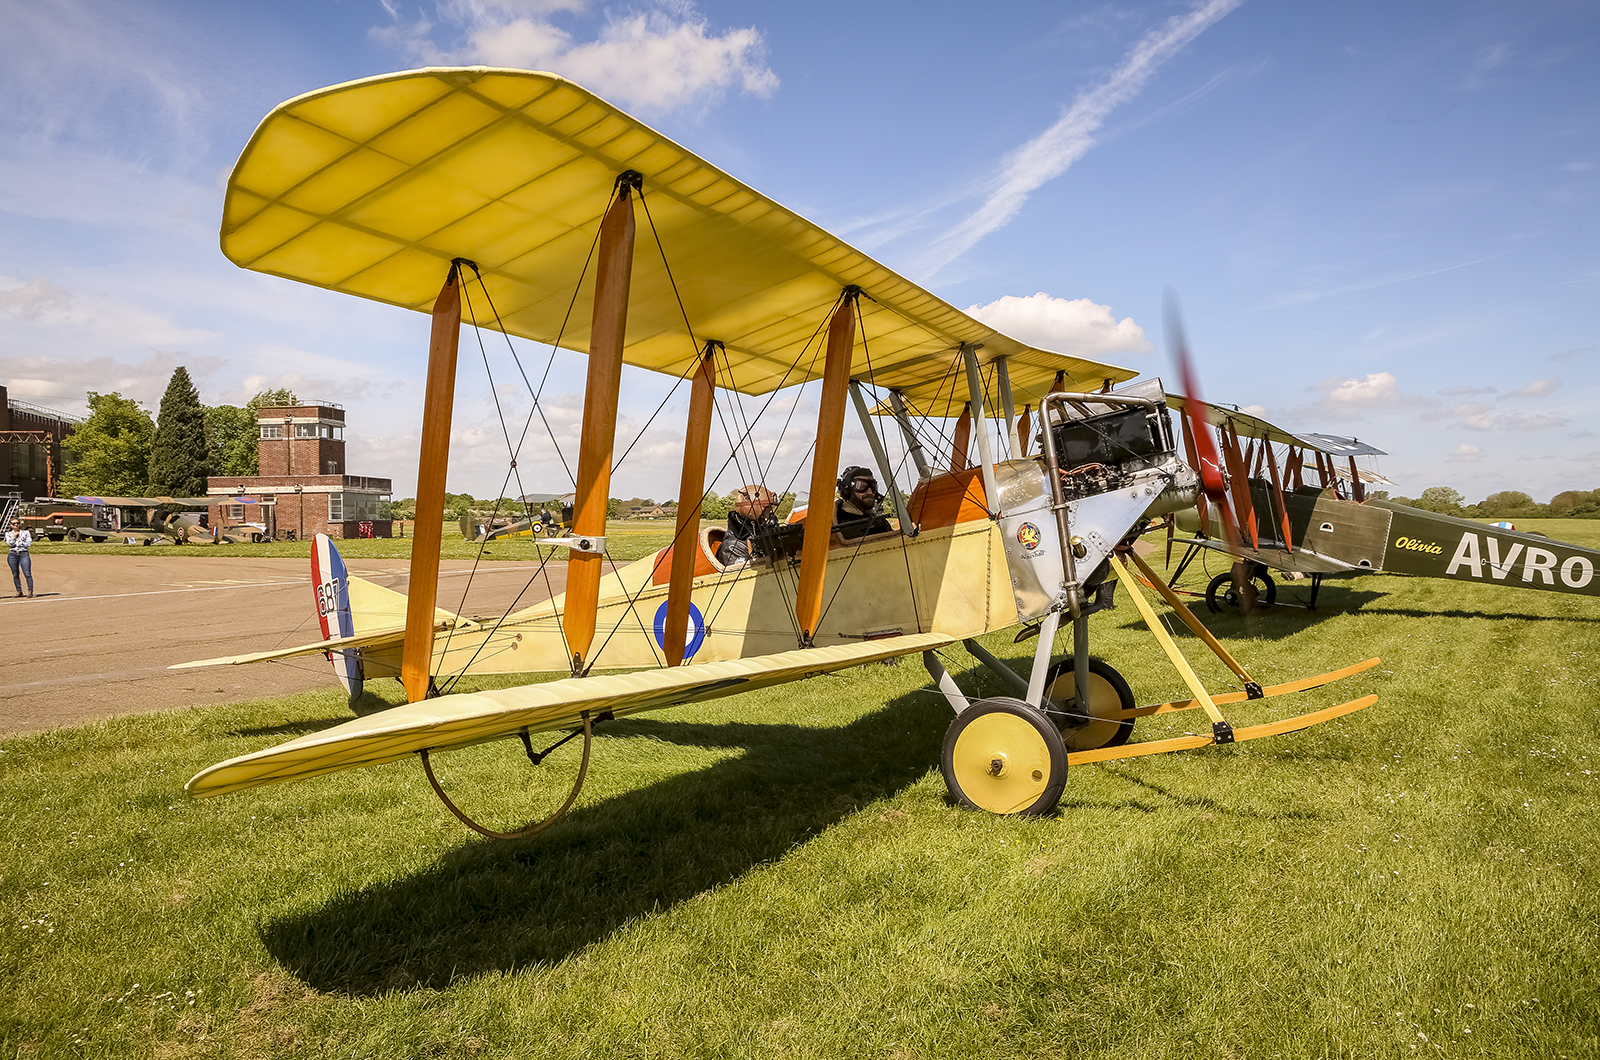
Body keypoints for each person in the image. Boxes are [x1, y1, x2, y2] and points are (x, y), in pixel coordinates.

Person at [716, 484, 778, 567]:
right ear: (754, 510)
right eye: (768, 510)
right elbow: (745, 576)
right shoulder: (732, 547)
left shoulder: (757, 534)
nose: (771, 515)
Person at [834, 465, 893, 540]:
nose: (870, 492)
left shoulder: (879, 522)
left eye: (873, 486)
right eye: (861, 486)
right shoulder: (836, 525)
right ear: (847, 491)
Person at [6, 517, 34, 598]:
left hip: (23, 553)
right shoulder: (8, 534)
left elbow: (29, 543)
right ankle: (19, 591)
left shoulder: (26, 533)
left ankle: (30, 590)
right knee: (15, 574)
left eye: (17, 523)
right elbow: (10, 544)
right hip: (13, 554)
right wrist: (14, 537)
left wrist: (20, 542)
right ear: (11, 525)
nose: (16, 525)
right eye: (14, 524)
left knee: (27, 573)